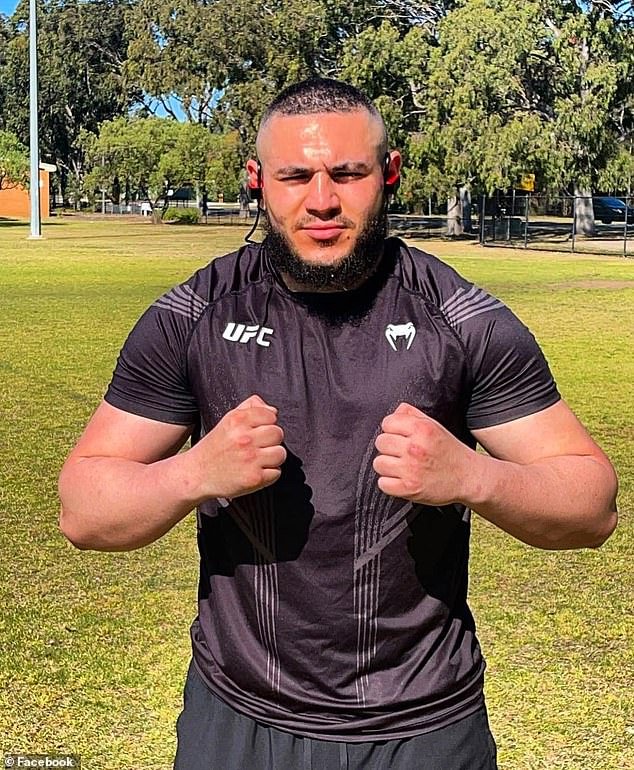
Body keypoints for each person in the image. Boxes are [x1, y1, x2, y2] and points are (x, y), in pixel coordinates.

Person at [58, 78, 618, 770]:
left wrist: (474, 477)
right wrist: (193, 473)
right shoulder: (194, 314)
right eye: (295, 177)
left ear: (389, 174)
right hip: (240, 717)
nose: (321, 200)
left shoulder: (461, 318)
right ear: (257, 181)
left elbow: (592, 506)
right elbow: (83, 511)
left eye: (347, 174)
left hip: (424, 725)